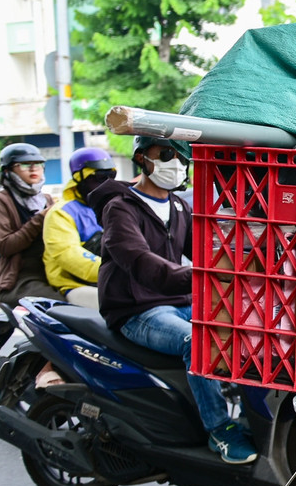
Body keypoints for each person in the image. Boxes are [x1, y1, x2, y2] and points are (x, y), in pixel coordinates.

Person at [88, 135, 257, 465]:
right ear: (142, 159)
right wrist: (198, 277)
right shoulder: (120, 208)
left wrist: (248, 259)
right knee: (197, 340)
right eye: (165, 154)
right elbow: (138, 261)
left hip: (178, 299)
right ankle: (220, 429)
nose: (176, 162)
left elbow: (206, 253)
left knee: (246, 327)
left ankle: (252, 419)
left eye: (181, 155)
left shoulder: (180, 206)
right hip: (137, 309)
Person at [0, 143, 64, 306]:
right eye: (24, 165)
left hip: (53, 273)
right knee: (61, 305)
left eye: (38, 164)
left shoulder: (47, 199)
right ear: (8, 170)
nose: (33, 169)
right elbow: (5, 246)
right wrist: (39, 219)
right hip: (20, 279)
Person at [42, 146, 116, 309]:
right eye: (99, 177)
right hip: (76, 285)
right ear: (79, 178)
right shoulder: (61, 213)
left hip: (113, 280)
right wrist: (116, 272)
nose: (107, 183)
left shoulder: (111, 208)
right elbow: (69, 255)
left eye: (111, 176)